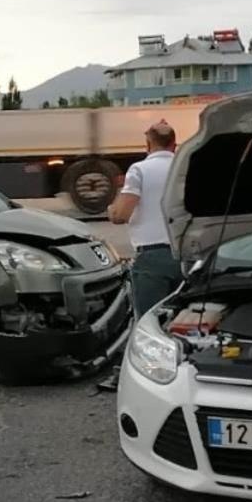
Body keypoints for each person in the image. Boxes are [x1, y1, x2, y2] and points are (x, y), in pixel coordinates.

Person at [98, 121, 183, 392]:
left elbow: (121, 214)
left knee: (147, 323)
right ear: (174, 144)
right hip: (186, 257)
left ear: (148, 144)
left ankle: (139, 379)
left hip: (152, 260)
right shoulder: (186, 167)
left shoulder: (140, 170)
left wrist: (112, 208)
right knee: (182, 319)